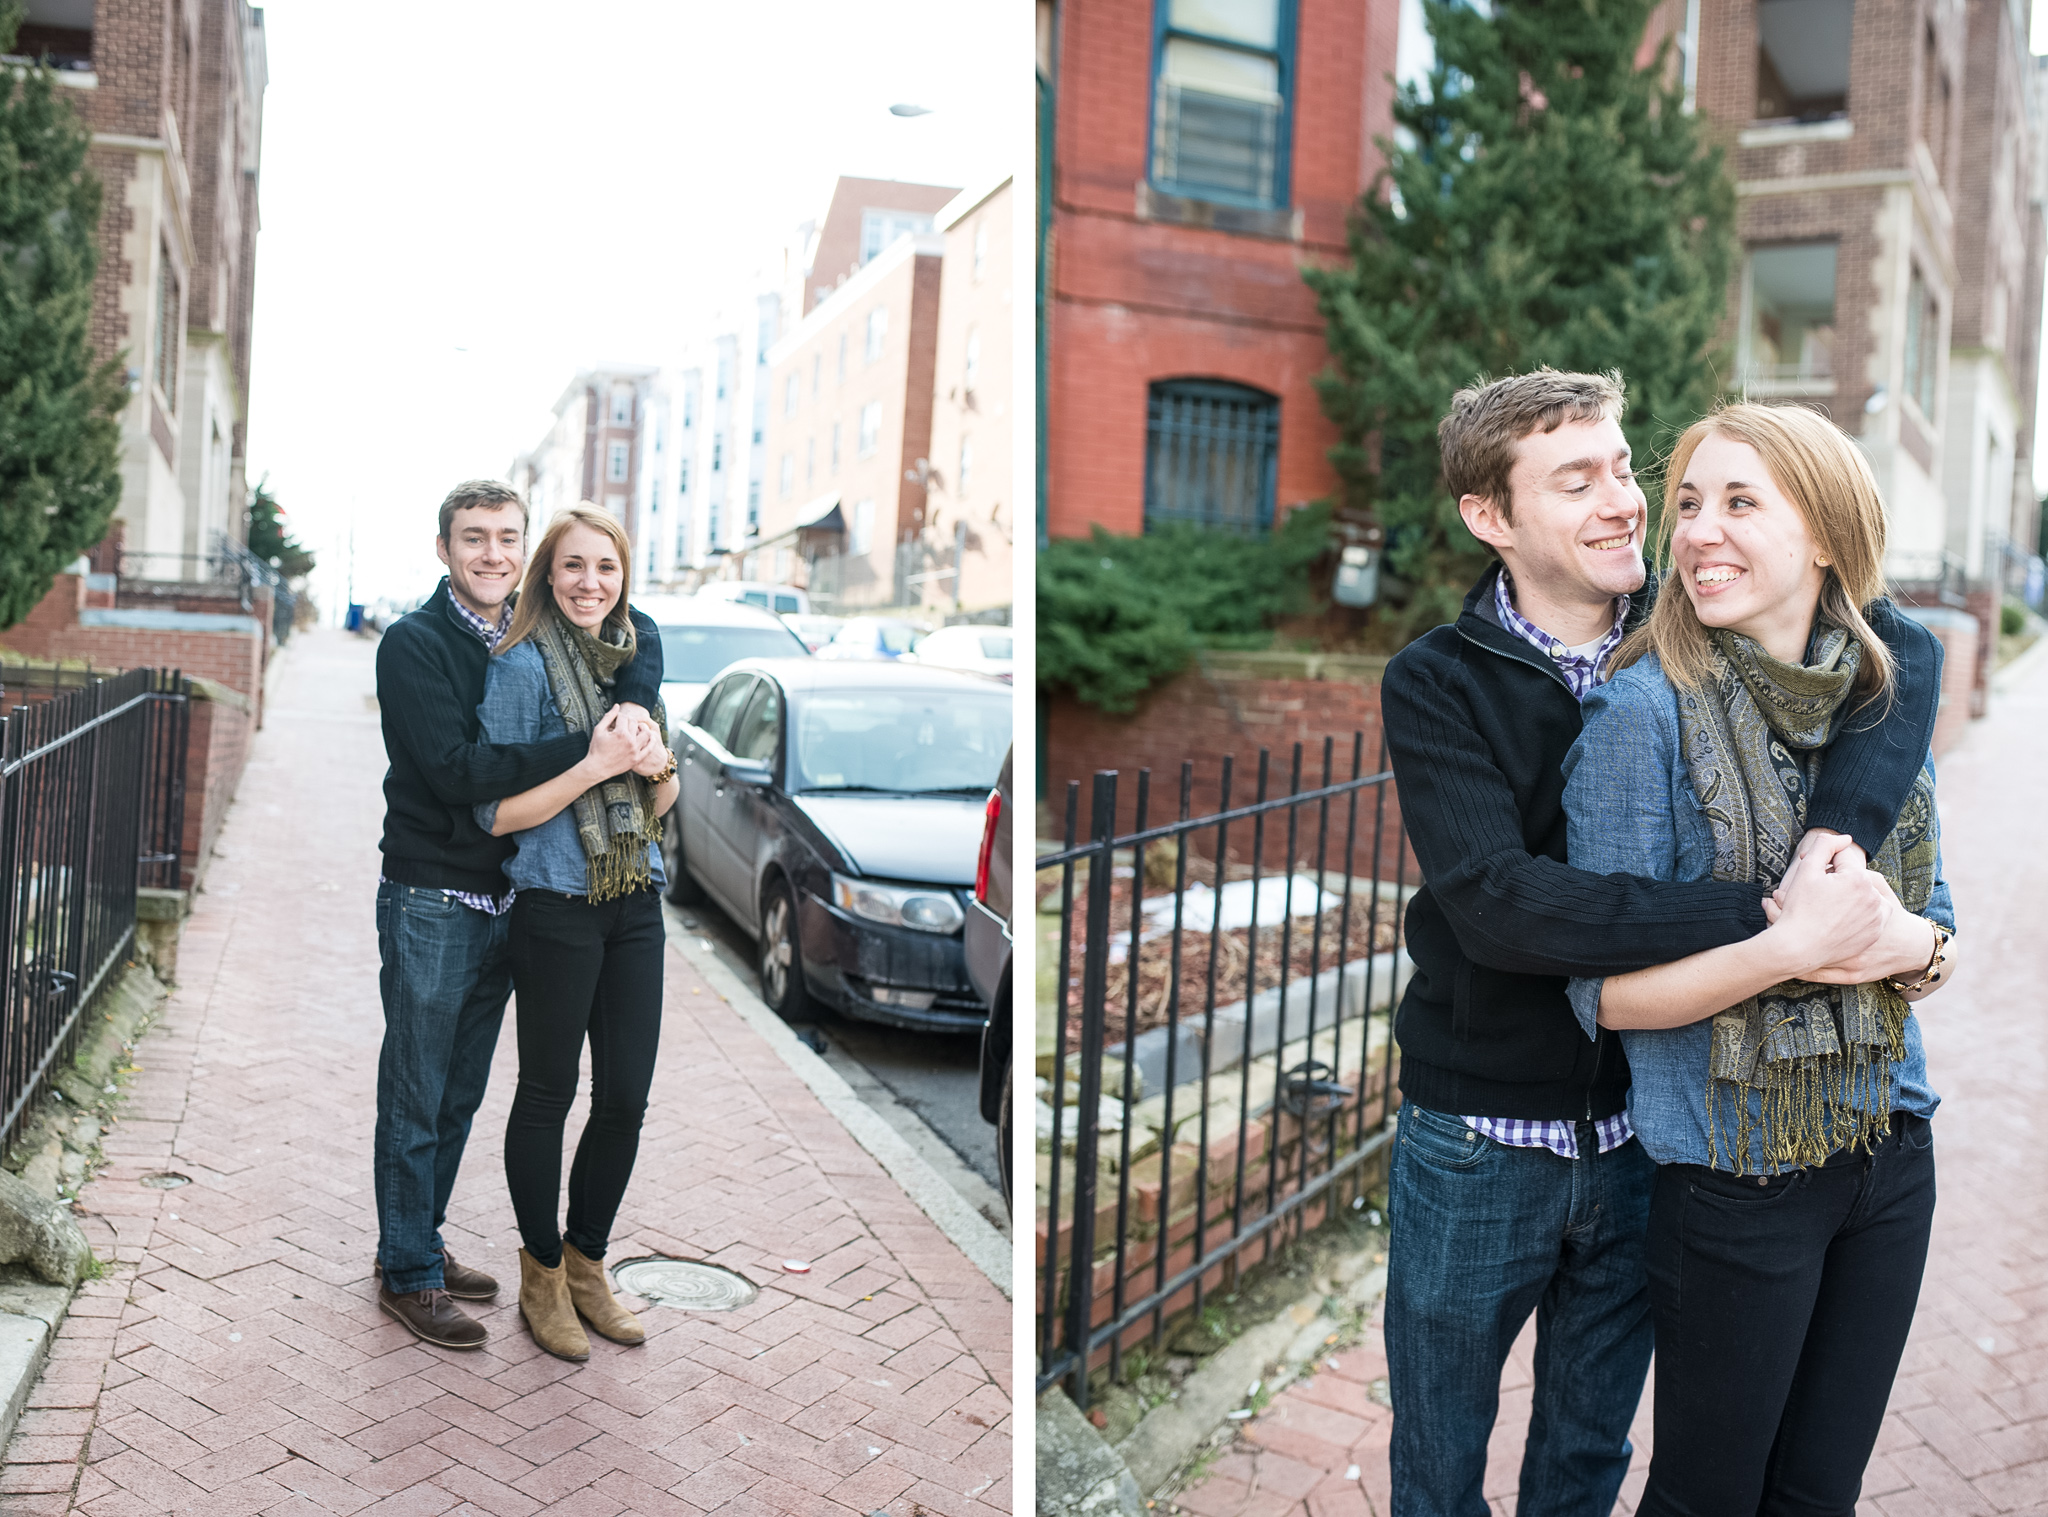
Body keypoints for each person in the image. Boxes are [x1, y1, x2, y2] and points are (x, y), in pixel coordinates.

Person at [1376, 370, 1942, 1517]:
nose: (1628, 504)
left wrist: (1842, 853)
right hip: (1484, 1134)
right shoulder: (1439, 680)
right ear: (1491, 517)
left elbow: (1899, 647)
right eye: (1575, 479)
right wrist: (1784, 915)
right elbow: (1500, 903)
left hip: (1645, 1132)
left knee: (1585, 1453)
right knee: (1438, 1463)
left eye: (1625, 469)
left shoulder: (1692, 623)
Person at [1562, 402, 1960, 1513]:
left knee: (1818, 1490)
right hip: (1734, 1179)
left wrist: (1901, 942)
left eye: (1739, 501)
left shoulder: (1878, 701)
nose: (1695, 531)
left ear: (1825, 533)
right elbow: (1606, 997)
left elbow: (1939, 932)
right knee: (1707, 1496)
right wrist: (1787, 945)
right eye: (1687, 503)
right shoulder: (1640, 713)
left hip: (1889, 1146)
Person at [373, 480, 663, 1351]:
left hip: (512, 893)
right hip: (434, 891)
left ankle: (419, 1240)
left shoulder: (535, 630)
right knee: (417, 1087)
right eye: (474, 539)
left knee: (461, 1089)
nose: (492, 553)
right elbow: (464, 773)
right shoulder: (415, 643)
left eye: (506, 538)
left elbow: (622, 612)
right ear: (444, 549)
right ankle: (409, 1272)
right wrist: (594, 747)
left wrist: (639, 702)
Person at [475, 504, 679, 1362]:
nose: (590, 581)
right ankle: (541, 1270)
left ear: (623, 574)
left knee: (626, 1095)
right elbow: (496, 814)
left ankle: (590, 1260)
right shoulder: (519, 666)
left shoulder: (636, 660)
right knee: (549, 1094)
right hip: (555, 901)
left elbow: (664, 806)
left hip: (636, 900)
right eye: (572, 566)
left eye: (605, 566)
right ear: (546, 576)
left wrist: (656, 763)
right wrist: (592, 764)